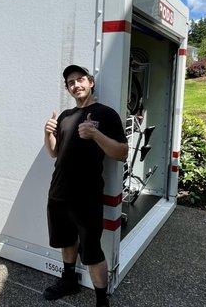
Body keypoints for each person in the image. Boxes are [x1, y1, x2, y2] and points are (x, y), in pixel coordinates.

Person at [43, 65, 127, 307]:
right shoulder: (65, 116)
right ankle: (69, 281)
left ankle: (102, 300)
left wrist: (95, 135)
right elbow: (54, 152)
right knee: (66, 241)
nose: (76, 85)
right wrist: (48, 133)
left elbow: (121, 153)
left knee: (92, 250)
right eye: (71, 82)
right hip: (58, 193)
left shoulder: (106, 114)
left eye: (80, 79)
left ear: (90, 82)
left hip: (87, 197)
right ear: (68, 88)